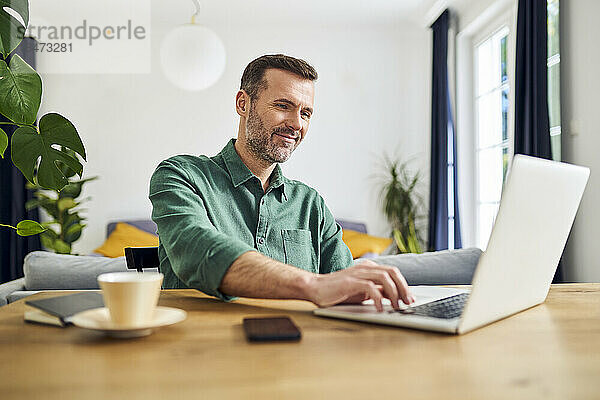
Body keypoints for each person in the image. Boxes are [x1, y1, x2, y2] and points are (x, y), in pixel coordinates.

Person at [149, 54, 415, 312]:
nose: (296, 124)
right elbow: (199, 253)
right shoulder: (180, 175)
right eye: (283, 106)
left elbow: (343, 284)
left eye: (306, 113)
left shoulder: (311, 204)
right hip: (197, 349)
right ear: (244, 104)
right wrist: (312, 284)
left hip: (300, 348)